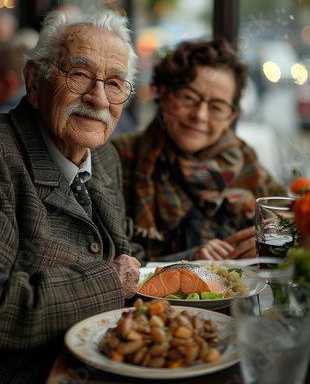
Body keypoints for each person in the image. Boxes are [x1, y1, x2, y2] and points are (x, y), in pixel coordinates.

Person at [0, 7, 141, 384]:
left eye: (116, 84)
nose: (99, 99)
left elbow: (125, 260)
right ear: (34, 81)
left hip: (102, 362)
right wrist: (108, 283)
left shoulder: (102, 158)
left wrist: (197, 265)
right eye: (80, 75)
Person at [112, 36, 287, 263]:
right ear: (163, 94)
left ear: (231, 116)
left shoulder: (245, 162)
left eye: (217, 107)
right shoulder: (120, 156)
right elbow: (111, 257)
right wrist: (190, 259)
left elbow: (294, 225)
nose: (200, 116)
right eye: (189, 98)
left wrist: (274, 241)